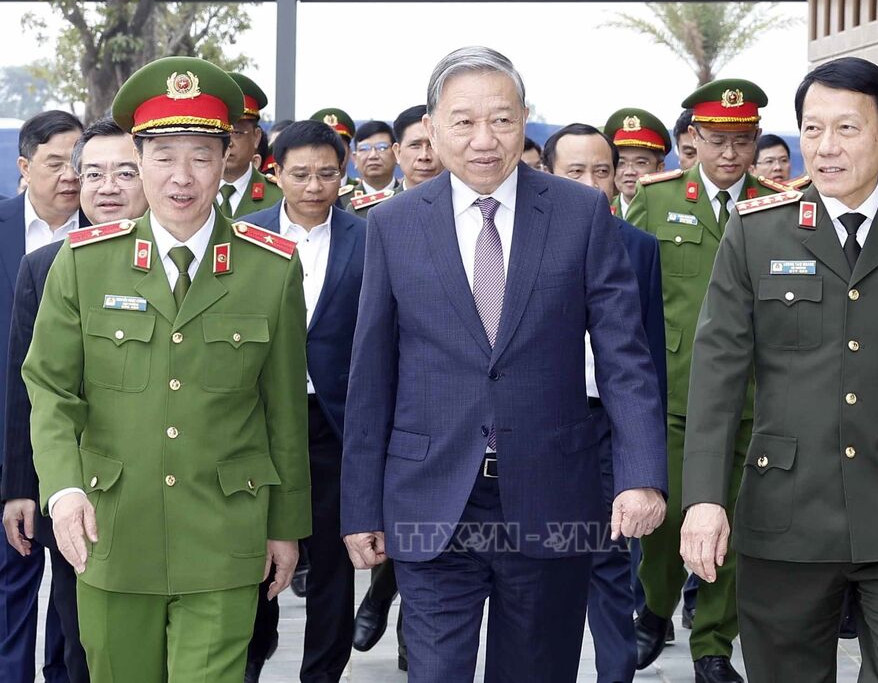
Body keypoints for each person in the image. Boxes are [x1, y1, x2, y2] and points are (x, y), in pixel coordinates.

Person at [340, 46, 667, 683]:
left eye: (502, 120)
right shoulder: (394, 224)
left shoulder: (579, 213)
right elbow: (371, 375)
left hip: (553, 493)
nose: (484, 139)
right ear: (432, 127)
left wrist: (642, 475)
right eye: (464, 121)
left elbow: (625, 357)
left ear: (525, 120)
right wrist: (360, 508)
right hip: (433, 496)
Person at [680, 56, 878, 682]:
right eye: (812, 129)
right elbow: (716, 378)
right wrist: (704, 500)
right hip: (787, 511)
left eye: (846, 128)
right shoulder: (757, 232)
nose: (826, 147)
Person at [22, 56, 312, 682]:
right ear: (139, 159)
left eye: (202, 157)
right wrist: (63, 490)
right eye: (163, 157)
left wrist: (286, 526)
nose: (182, 177)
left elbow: (284, 408)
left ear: (228, 159)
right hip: (111, 531)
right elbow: (50, 388)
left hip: (225, 535)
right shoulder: (84, 263)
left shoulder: (271, 267)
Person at [626, 78, 779, 682]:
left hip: (754, 398)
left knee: (735, 526)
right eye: (717, 140)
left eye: (742, 141)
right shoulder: (658, 199)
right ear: (694, 138)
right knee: (664, 523)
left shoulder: (779, 204)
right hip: (674, 392)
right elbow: (628, 298)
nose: (730, 154)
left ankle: (712, 643)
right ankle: (655, 606)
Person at [3, 117, 149, 683]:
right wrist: (20, 487)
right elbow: (29, 388)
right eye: (93, 174)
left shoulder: (187, 262)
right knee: (80, 642)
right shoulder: (44, 266)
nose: (107, 187)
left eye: (125, 173)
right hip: (77, 490)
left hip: (167, 488)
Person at [241, 120, 367, 683]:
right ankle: (251, 655)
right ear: (275, 173)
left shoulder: (370, 238)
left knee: (335, 567)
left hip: (337, 424)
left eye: (326, 174)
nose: (314, 186)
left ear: (343, 173)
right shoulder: (245, 235)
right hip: (260, 422)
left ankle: (322, 673)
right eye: (300, 174)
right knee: (256, 552)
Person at [543, 121, 667, 683]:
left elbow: (648, 356)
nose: (592, 184)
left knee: (611, 562)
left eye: (602, 171)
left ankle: (616, 674)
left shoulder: (639, 246)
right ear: (546, 175)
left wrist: (644, 458)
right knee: (543, 566)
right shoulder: (517, 242)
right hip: (541, 428)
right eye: (575, 172)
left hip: (606, 426)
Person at [351, 102, 444, 666]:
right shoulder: (374, 218)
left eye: (431, 145)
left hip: (441, 402)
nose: (425, 156)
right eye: (414, 147)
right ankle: (383, 592)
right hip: (388, 389)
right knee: (400, 511)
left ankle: (408, 628)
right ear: (397, 154)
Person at [0, 109, 84, 683]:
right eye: (55, 163)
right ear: (24, 166)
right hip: (8, 434)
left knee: (74, 591)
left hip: (78, 442)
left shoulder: (109, 232)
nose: (70, 176)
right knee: (11, 585)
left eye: (77, 163)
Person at [218, 72, 283, 219]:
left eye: (237, 133)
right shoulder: (190, 193)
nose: (228, 143)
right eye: (221, 133)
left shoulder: (279, 197)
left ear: (256, 137)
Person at [605, 108, 671, 220]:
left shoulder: (675, 210)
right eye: (621, 163)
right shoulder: (602, 211)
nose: (629, 172)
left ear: (660, 169)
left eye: (640, 163)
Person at [309, 108, 360, 208]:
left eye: (338, 145)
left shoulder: (361, 192)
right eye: (323, 146)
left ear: (349, 151)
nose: (331, 152)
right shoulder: (299, 191)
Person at [392, 104, 444, 192]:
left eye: (432, 145)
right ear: (397, 152)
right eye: (415, 145)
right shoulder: (386, 201)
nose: (424, 156)